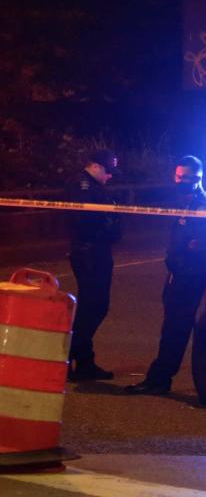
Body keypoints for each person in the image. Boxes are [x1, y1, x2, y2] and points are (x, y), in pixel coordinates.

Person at [125, 155, 206, 395]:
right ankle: (160, 377)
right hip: (179, 272)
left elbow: (204, 244)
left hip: (189, 275)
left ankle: (159, 379)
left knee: (175, 328)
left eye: (186, 177)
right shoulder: (185, 200)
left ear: (198, 177)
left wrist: (185, 260)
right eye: (178, 176)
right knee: (171, 326)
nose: (180, 181)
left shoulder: (203, 206)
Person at [65, 149, 123, 381]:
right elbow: (86, 221)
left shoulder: (92, 187)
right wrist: (108, 224)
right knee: (94, 306)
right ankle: (68, 355)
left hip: (97, 251)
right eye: (108, 171)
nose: (110, 176)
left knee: (94, 306)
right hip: (89, 252)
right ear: (97, 166)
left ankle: (84, 360)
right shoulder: (81, 186)